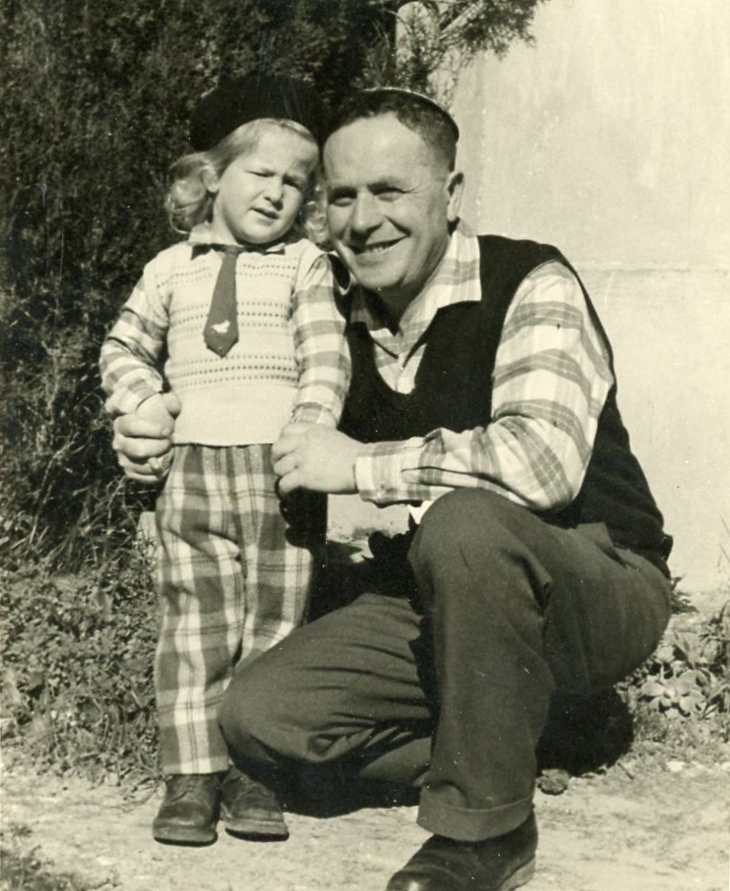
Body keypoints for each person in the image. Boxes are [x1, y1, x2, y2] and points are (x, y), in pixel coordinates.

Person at [113, 87, 673, 891]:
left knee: (467, 523)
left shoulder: (530, 281)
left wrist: (357, 467)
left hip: (596, 581)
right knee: (260, 718)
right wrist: (145, 429)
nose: (363, 218)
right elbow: (230, 386)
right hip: (439, 596)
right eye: (341, 196)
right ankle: (533, 729)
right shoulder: (334, 312)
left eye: (389, 192)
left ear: (449, 196)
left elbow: (543, 464)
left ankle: (486, 828)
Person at [100, 73, 349, 847]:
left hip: (279, 474)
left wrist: (310, 429)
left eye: (294, 182)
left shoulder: (305, 266)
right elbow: (124, 346)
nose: (276, 193)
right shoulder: (169, 270)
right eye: (260, 172)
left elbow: (326, 356)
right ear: (212, 176)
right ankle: (192, 776)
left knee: (274, 624)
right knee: (195, 621)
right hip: (191, 472)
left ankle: (256, 772)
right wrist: (140, 403)